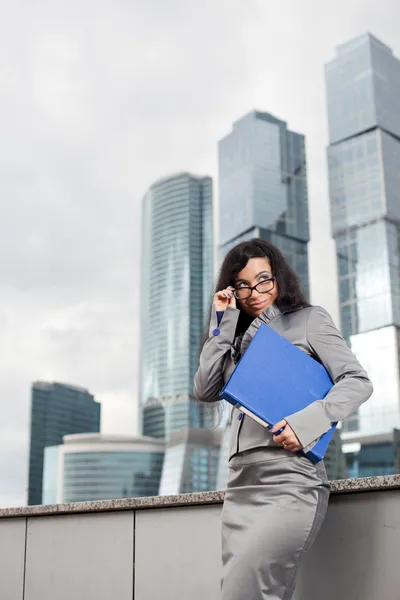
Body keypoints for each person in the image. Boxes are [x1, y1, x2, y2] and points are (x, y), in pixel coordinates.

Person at [194, 239, 373, 600]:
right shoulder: (233, 339)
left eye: (263, 280)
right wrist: (222, 322)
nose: (255, 292)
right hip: (240, 485)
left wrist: (305, 425)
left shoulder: (309, 319)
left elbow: (357, 382)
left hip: (290, 481)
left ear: (279, 278)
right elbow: (205, 388)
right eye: (242, 285)